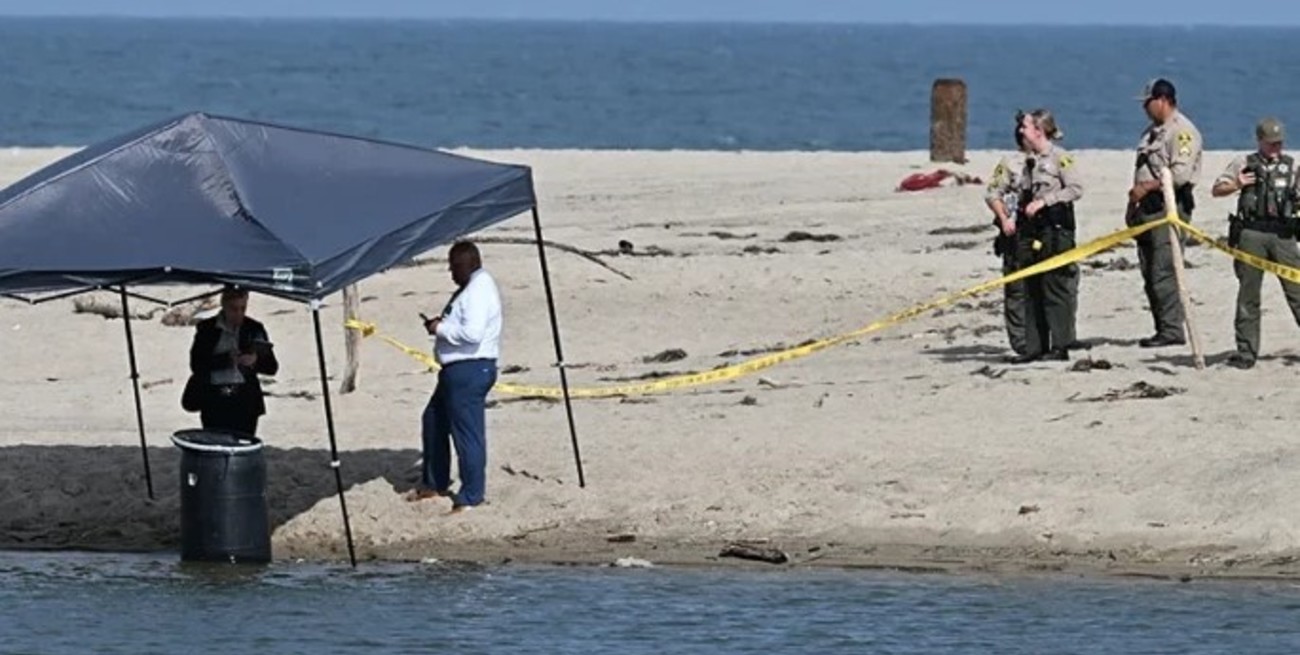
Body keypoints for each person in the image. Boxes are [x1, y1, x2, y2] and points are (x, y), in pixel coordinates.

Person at [409, 241, 501, 513]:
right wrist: (442, 323)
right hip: (455, 371)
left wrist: (440, 329)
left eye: (455, 267)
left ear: (469, 264)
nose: (451, 273)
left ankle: (471, 495)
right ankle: (434, 482)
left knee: (467, 434)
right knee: (433, 419)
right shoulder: (470, 289)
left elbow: (472, 334)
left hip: (469, 370)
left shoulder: (478, 290)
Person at [1211, 117, 1300, 369]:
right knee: (1248, 295)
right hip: (1251, 234)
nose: (1275, 148)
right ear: (1259, 141)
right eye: (1270, 143)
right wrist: (1237, 184)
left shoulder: (1292, 166)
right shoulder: (1243, 163)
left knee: (1297, 291)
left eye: (1279, 143)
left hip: (1283, 235)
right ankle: (1246, 352)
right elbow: (1217, 189)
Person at [1127, 78, 1203, 348]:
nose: (1144, 108)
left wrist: (1148, 187)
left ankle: (1172, 330)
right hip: (1147, 210)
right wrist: (1133, 204)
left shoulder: (1182, 132)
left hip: (1169, 206)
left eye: (1148, 102)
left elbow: (1179, 174)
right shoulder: (1151, 132)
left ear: (1162, 100)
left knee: (1164, 270)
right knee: (1149, 270)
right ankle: (1162, 327)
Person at [1009, 109, 1083, 364]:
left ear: (1039, 131)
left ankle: (1060, 345)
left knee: (1055, 287)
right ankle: (1035, 347)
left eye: (1026, 127)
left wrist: (1045, 201)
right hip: (1033, 231)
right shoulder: (1029, 162)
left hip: (1056, 229)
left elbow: (1075, 189)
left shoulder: (1060, 158)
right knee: (1031, 287)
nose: (1021, 131)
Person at [187, 286, 279, 435]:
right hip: (214, 397)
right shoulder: (207, 328)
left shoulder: (254, 328)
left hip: (245, 398)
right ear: (224, 306)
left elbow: (272, 367)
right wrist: (226, 359)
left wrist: (254, 360)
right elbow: (196, 364)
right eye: (234, 309)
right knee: (215, 441)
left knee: (244, 441)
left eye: (243, 308)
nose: (239, 314)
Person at [985, 117, 1032, 356]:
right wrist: (1004, 219)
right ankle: (1021, 340)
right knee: (1016, 288)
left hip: (1047, 230)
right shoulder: (1010, 163)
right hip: (1016, 231)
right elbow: (992, 193)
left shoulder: (1054, 158)